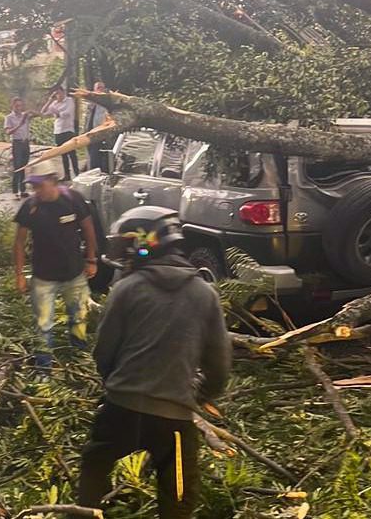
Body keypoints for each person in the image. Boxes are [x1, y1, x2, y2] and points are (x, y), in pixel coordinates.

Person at [73, 206, 232, 519]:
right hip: (173, 418)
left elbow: (104, 353)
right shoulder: (205, 294)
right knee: (179, 496)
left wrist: (118, 386)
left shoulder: (125, 289)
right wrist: (198, 396)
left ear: (141, 245)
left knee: (94, 465)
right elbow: (219, 365)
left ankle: (85, 513)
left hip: (121, 409)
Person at [13, 163, 98, 368]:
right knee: (43, 324)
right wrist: (20, 274)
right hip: (43, 275)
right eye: (33, 187)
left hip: (74, 272)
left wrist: (92, 259)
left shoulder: (72, 199)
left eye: (39, 185)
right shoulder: (30, 207)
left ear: (53, 180)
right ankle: (44, 369)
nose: (36, 191)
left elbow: (88, 230)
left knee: (78, 317)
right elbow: (19, 242)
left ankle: (79, 360)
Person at [41, 86, 79, 181]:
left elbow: (67, 113)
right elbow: (43, 112)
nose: (58, 95)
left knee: (72, 153)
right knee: (63, 154)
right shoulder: (54, 103)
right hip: (58, 131)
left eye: (59, 93)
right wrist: (50, 100)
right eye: (56, 94)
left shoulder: (69, 101)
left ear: (63, 92)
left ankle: (77, 173)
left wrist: (58, 113)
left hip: (68, 130)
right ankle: (67, 174)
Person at [4, 97, 36, 199]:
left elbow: (39, 114)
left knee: (24, 166)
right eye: (17, 106)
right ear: (12, 106)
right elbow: (8, 132)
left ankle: (23, 190)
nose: (19, 108)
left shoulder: (25, 116)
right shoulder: (9, 117)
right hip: (17, 143)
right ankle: (15, 191)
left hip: (25, 143)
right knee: (17, 167)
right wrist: (19, 125)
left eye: (20, 106)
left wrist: (31, 112)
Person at [84, 81, 110, 173]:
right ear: (94, 90)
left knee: (101, 159)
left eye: (101, 87)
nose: (100, 89)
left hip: (103, 134)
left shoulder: (108, 102)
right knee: (92, 157)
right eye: (98, 88)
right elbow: (87, 119)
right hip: (91, 133)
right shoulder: (91, 104)